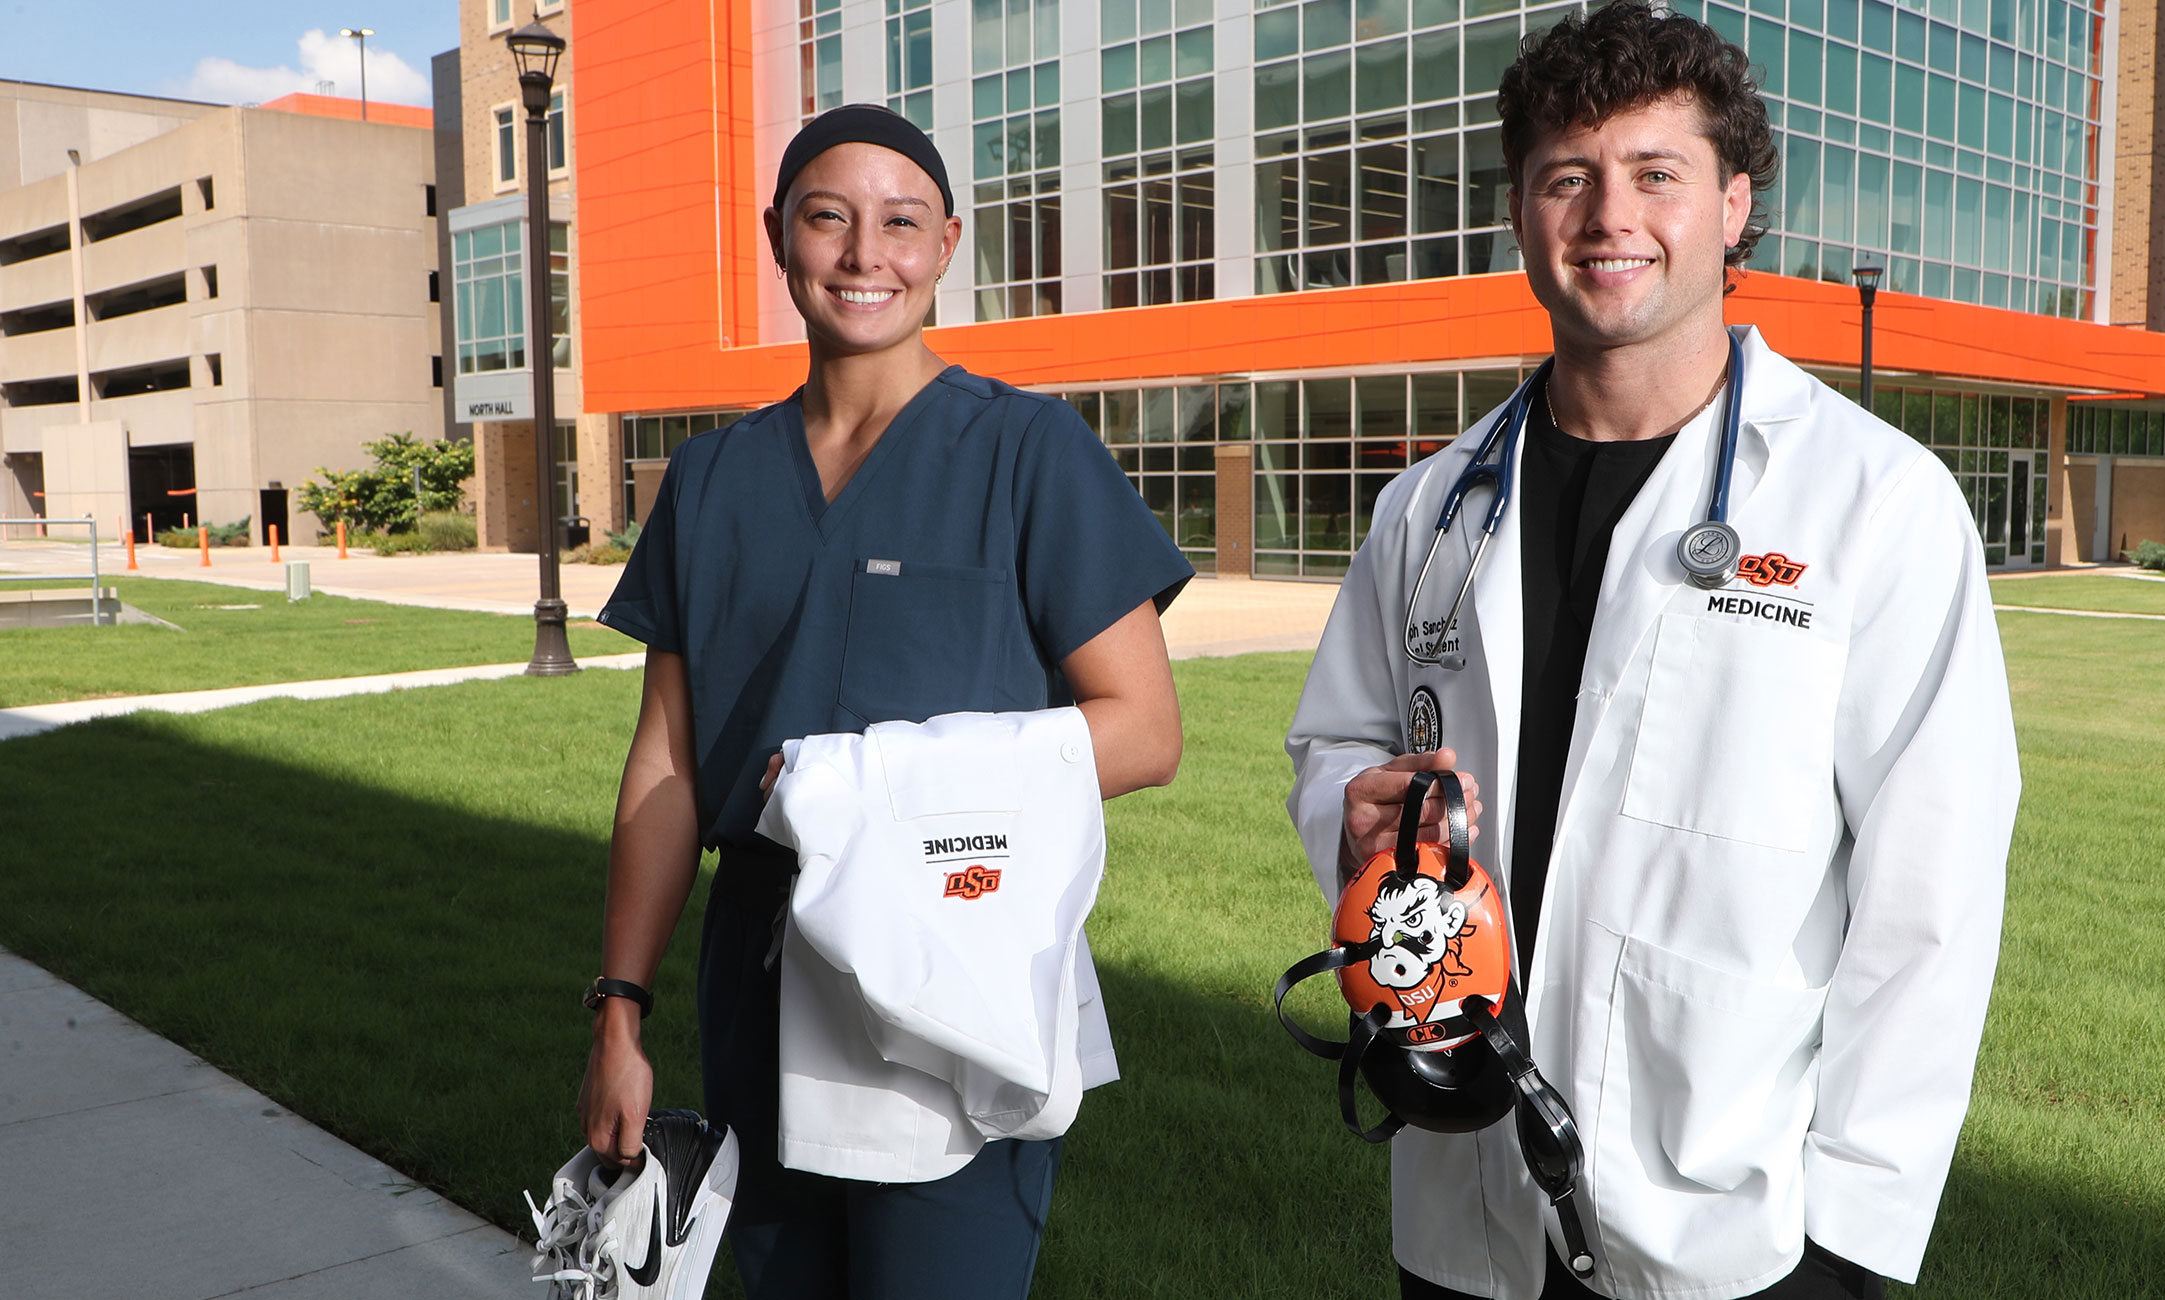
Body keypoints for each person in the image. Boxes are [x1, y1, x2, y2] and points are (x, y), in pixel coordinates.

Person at [1284, 5, 2019, 1299]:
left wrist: (1851, 1235)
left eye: (1655, 174)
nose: (1608, 216)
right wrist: (1347, 810)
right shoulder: (1432, 505)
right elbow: (1339, 735)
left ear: (1734, 207)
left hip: (1736, 1224)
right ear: (1522, 213)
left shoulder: (1871, 503)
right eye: (1567, 177)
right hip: (1465, 1204)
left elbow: (1934, 897)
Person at [576, 104, 1194, 1299]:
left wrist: (872, 786)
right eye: (828, 219)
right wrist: (620, 1011)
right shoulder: (710, 480)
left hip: (954, 954)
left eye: (901, 223)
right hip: (758, 972)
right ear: (778, 238)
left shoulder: (1028, 451)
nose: (866, 256)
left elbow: (1145, 728)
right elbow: (664, 767)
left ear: (947, 244)